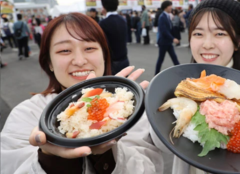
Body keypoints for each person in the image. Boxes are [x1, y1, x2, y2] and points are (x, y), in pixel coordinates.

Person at [1, 13, 164, 174]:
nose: (79, 61)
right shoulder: (25, 113)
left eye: (89, 48)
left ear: (104, 56)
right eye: (65, 50)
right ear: (49, 62)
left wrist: (107, 152)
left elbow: (150, 166)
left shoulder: (130, 108)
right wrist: (51, 158)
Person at [151, 0, 240, 174]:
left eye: (220, 34)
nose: (207, 44)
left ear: (239, 42)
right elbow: (162, 144)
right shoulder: (179, 86)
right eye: (198, 33)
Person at [99, 0, 129, 75]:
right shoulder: (122, 20)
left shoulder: (103, 23)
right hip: (124, 59)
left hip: (111, 63)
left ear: (103, 6)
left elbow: (104, 44)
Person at [155, 0, 180, 75]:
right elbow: (164, 31)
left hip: (168, 42)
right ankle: (156, 75)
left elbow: (169, 29)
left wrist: (174, 37)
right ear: (166, 7)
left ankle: (181, 72)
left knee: (174, 58)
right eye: (170, 6)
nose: (171, 8)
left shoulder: (167, 15)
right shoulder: (162, 17)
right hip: (163, 42)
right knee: (160, 59)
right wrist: (173, 38)